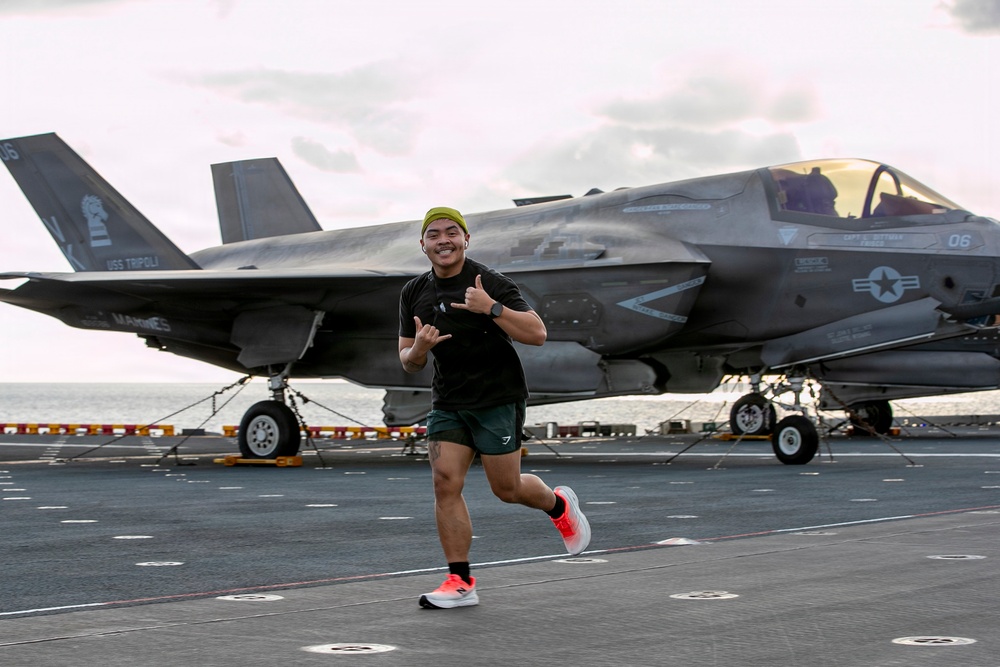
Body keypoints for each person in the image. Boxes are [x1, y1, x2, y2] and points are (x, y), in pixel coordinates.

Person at [398, 206, 591, 609]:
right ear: (423, 244)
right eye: (434, 234)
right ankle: (460, 581)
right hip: (449, 399)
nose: (443, 240)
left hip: (497, 397)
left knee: (507, 488)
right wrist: (419, 349)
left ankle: (558, 505)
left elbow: (537, 333)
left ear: (466, 239)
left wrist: (492, 308)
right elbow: (408, 360)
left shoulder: (492, 283)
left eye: (452, 232)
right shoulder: (413, 292)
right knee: (444, 482)